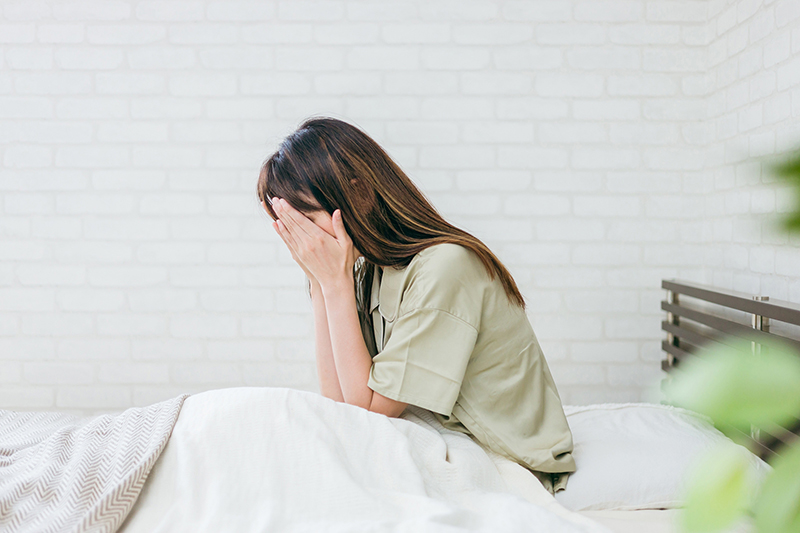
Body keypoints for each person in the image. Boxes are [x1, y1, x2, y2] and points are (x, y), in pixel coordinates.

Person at [255, 116, 576, 495]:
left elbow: (367, 414)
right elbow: (338, 403)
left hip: (506, 456)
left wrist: (334, 284)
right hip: (447, 437)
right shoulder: (367, 270)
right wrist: (322, 283)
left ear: (358, 194)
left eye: (305, 220)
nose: (304, 241)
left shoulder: (445, 267)